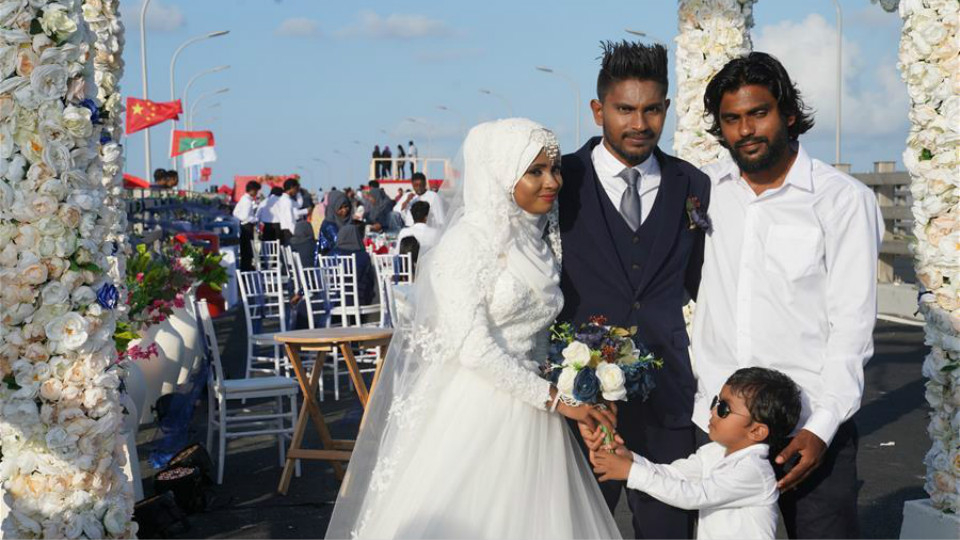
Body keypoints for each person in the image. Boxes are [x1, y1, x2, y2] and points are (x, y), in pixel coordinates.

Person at [325, 119, 620, 539]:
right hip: (478, 407)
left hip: (537, 412)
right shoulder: (466, 244)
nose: (552, 181)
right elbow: (473, 348)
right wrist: (554, 399)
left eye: (553, 169)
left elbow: (538, 336)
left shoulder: (537, 241)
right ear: (501, 174)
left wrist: (570, 385)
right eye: (534, 171)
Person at [693, 52, 883, 539]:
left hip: (805, 428)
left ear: (789, 113)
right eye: (732, 119)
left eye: (759, 113)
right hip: (720, 431)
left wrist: (821, 428)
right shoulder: (705, 191)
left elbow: (852, 328)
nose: (746, 130)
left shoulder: (842, 200)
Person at [560, 41, 711, 539]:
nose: (639, 123)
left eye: (651, 110)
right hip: (583, 408)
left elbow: (705, 287)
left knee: (669, 532)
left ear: (666, 109)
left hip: (669, 401)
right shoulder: (559, 181)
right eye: (625, 109)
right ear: (598, 110)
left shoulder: (694, 184)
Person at [589, 367, 802, 540]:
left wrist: (631, 473)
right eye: (715, 402)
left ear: (757, 431)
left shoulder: (754, 471)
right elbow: (675, 474)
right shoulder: (714, 451)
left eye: (724, 409)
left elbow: (694, 495)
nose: (712, 411)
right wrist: (632, 459)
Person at [233, 180, 261, 271]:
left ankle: (246, 267)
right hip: (247, 226)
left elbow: (235, 213)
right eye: (256, 191)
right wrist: (255, 219)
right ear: (252, 190)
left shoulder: (243, 199)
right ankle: (246, 268)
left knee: (245, 249)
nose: (257, 193)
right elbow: (245, 217)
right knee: (247, 250)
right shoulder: (247, 201)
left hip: (243, 226)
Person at [318, 190, 352, 256]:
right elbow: (340, 243)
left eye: (346, 206)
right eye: (340, 208)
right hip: (332, 260)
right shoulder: (329, 226)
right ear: (333, 208)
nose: (344, 210)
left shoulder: (347, 221)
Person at [275, 178, 305, 245]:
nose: (297, 191)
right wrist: (296, 233)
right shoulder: (287, 201)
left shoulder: (283, 199)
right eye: (296, 189)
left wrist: (298, 193)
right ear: (291, 187)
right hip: (289, 231)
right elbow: (290, 220)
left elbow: (298, 205)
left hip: (284, 229)